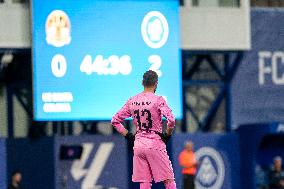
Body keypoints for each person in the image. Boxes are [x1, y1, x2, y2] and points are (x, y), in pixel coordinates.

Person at [111, 70, 177, 189]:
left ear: (142, 82)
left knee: (145, 182)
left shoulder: (132, 100)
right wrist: (167, 134)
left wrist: (128, 135)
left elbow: (115, 120)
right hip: (155, 143)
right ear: (156, 83)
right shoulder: (158, 100)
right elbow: (171, 120)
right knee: (168, 179)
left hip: (139, 144)